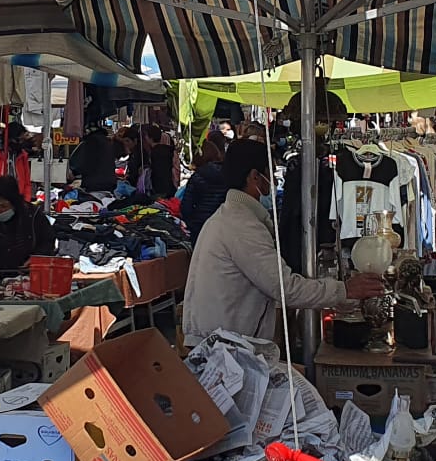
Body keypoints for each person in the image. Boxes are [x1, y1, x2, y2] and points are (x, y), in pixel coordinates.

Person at [182, 138, 384, 345]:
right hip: (224, 349)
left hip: (224, 341)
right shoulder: (241, 226)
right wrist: (344, 290)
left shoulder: (231, 218)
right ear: (255, 177)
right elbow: (284, 288)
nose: (273, 181)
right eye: (269, 174)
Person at [0, 178, 58, 276]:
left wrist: (36, 259)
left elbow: (47, 242)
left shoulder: (34, 216)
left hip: (30, 276)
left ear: (15, 203)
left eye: (4, 206)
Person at [179, 135, 229, 240]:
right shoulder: (228, 175)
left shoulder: (197, 176)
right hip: (224, 225)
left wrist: (192, 223)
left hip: (200, 227)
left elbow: (186, 207)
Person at [70, 123, 119, 194]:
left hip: (93, 184)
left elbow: (75, 163)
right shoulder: (108, 142)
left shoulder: (88, 142)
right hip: (110, 183)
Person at [142, 125, 180, 198]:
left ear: (149, 138)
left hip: (157, 188)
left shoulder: (152, 153)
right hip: (171, 187)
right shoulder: (171, 150)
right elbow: (176, 168)